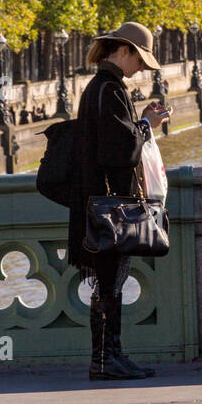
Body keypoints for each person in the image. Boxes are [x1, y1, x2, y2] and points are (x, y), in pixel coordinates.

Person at [68, 21, 170, 382]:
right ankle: (105, 360)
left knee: (109, 285)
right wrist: (145, 125)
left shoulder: (100, 87)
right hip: (109, 210)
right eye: (139, 60)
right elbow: (118, 152)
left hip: (98, 204)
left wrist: (140, 123)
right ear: (123, 51)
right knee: (110, 284)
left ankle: (111, 356)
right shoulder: (109, 89)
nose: (141, 69)